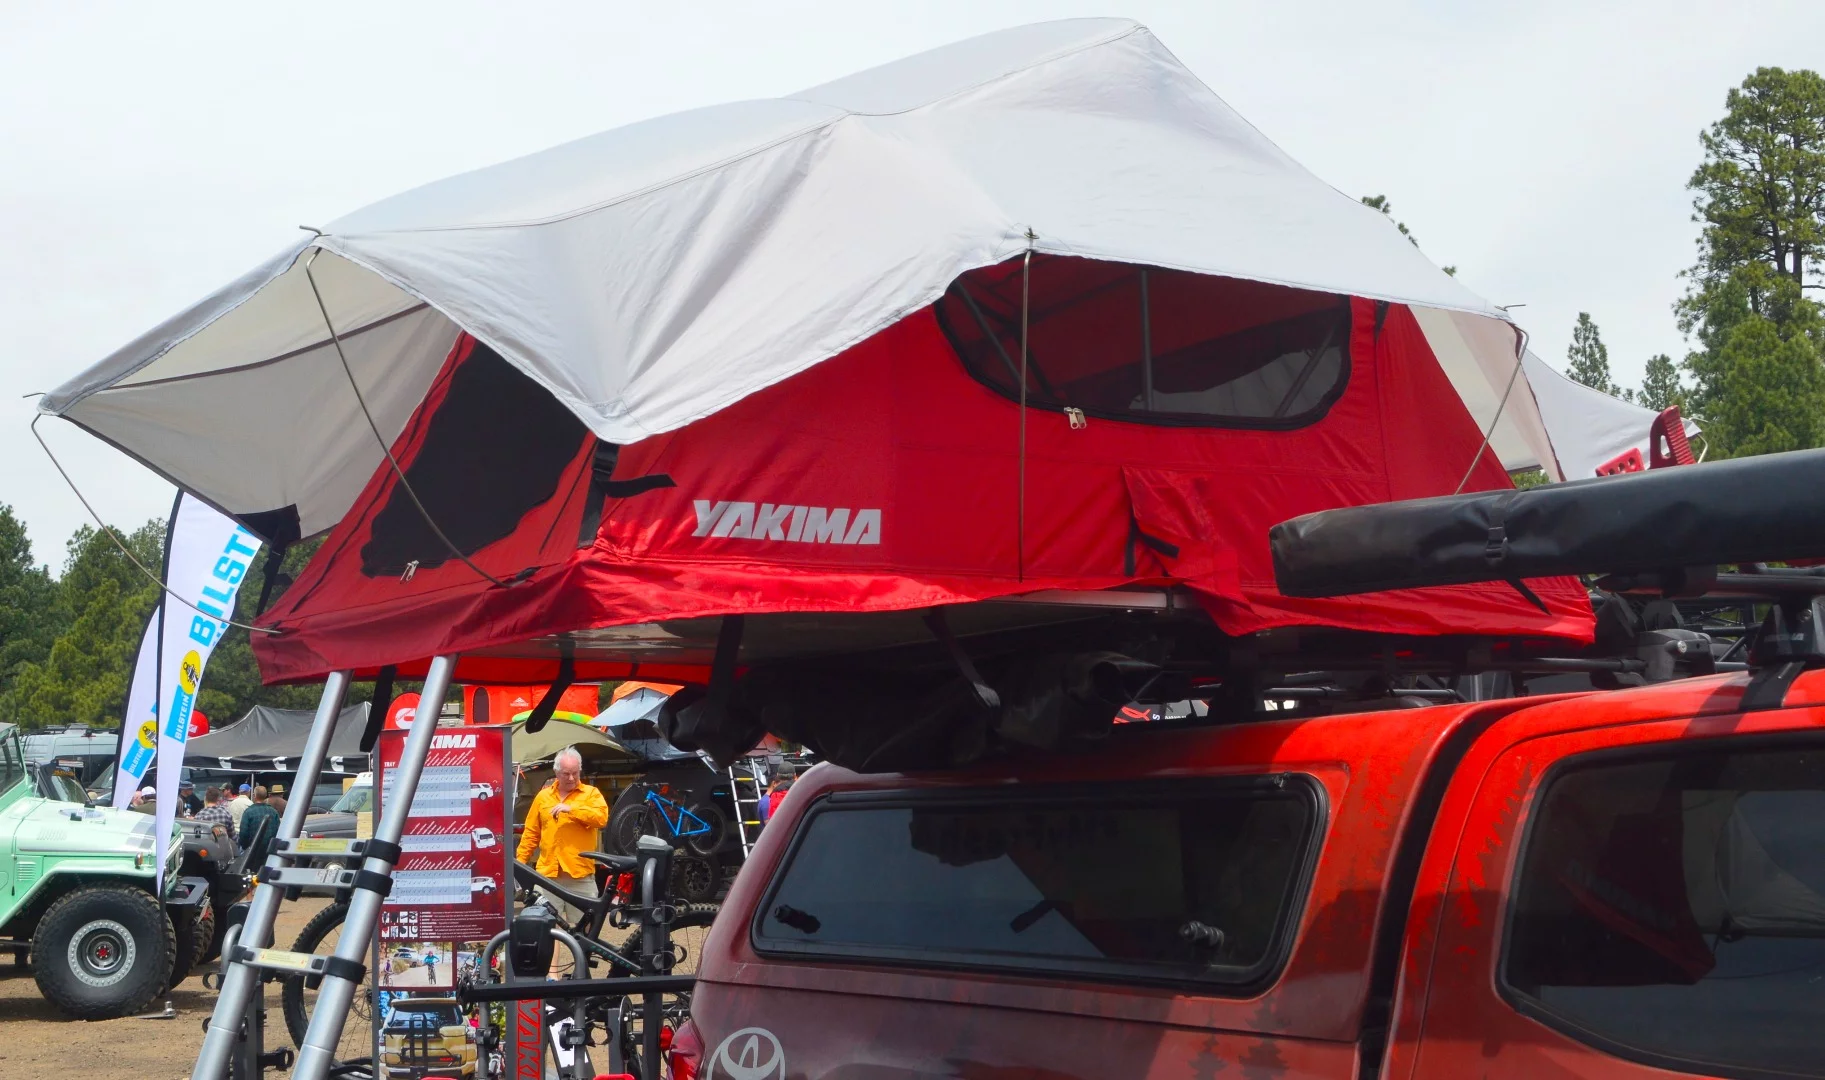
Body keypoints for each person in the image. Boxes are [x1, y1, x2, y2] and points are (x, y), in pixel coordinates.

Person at [516, 747, 609, 925]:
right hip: (547, 876)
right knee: (544, 927)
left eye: (575, 773)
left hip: (580, 876)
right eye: (566, 774)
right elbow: (531, 833)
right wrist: (520, 864)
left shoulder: (591, 794)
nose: (571, 778)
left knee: (587, 928)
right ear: (556, 772)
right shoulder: (543, 797)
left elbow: (601, 819)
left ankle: (582, 946)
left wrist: (572, 810)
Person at [239, 785, 282, 868]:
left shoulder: (248, 812)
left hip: (253, 850)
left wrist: (245, 847)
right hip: (269, 850)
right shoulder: (273, 812)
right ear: (266, 795)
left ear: (254, 796)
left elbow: (243, 833)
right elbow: (279, 831)